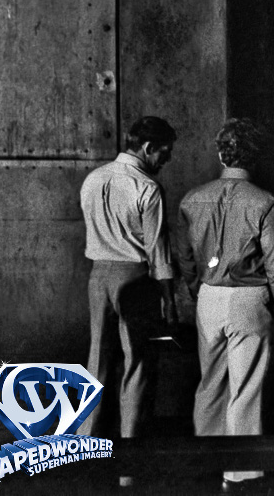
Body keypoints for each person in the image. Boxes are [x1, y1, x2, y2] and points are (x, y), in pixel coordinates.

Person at [176, 118, 274, 493]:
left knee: (210, 385)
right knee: (245, 390)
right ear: (256, 157)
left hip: (208, 296)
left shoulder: (191, 199)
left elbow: (185, 257)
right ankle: (240, 476)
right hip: (250, 299)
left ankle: (206, 464)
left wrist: (198, 290)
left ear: (222, 155)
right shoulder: (264, 202)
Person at [78, 116, 178, 459]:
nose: (166, 159)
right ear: (148, 148)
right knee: (137, 362)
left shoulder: (93, 179)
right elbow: (158, 251)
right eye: (164, 152)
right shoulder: (148, 188)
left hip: (97, 276)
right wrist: (169, 299)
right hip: (134, 278)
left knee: (97, 360)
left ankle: (85, 447)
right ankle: (130, 453)